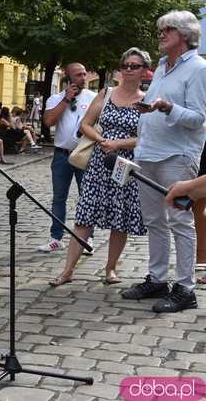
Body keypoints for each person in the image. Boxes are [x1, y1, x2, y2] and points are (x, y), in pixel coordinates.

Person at [122, 10, 206, 313]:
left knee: (180, 222)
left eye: (166, 30)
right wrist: (150, 108)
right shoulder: (161, 67)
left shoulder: (198, 69)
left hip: (177, 156)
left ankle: (185, 289)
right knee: (154, 221)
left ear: (183, 35)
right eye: (159, 29)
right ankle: (157, 279)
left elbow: (198, 119)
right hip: (148, 153)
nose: (160, 35)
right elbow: (160, 105)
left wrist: (169, 107)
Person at [49, 48, 150, 287]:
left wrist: (119, 143)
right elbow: (85, 124)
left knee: (120, 219)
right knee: (84, 216)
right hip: (98, 162)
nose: (127, 70)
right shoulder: (107, 93)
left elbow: (148, 137)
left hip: (125, 166)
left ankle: (110, 269)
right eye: (125, 65)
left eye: (134, 66)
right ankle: (68, 270)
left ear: (144, 71)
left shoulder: (146, 101)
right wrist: (102, 140)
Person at [37, 63, 97, 253]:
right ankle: (56, 238)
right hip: (62, 155)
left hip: (85, 154)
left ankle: (87, 238)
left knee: (86, 197)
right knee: (58, 198)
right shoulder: (55, 98)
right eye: (78, 75)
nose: (83, 78)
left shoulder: (93, 97)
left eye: (84, 74)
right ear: (68, 77)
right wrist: (66, 99)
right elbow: (48, 122)